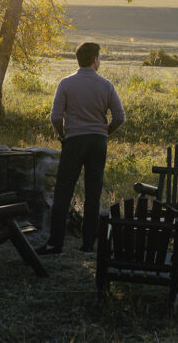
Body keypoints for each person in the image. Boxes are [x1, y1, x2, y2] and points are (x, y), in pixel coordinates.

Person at [36, 41, 125, 255]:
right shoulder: (106, 85)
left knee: (63, 191)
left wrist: (62, 134)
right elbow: (120, 117)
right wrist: (105, 132)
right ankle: (87, 244)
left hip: (74, 140)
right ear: (95, 59)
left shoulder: (66, 84)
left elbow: (56, 117)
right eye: (100, 58)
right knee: (93, 192)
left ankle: (55, 243)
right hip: (97, 142)